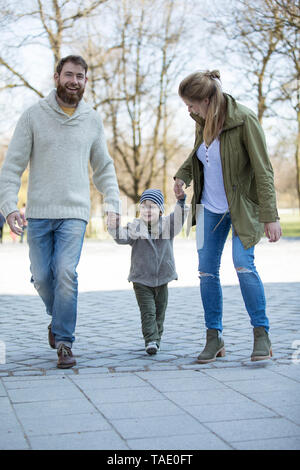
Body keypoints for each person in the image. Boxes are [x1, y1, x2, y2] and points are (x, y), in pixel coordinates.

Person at [0, 55, 121, 369]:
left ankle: (65, 342)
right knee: (42, 277)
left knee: (66, 273)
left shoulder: (92, 120)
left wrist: (112, 205)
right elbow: (12, 167)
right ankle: (58, 321)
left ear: (85, 81)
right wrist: (10, 207)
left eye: (81, 76)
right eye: (69, 75)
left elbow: (104, 167)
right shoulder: (33, 116)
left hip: (74, 213)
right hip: (38, 213)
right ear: (56, 77)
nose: (75, 81)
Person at [173, 70, 281, 364]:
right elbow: (199, 154)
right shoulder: (201, 122)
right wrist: (182, 176)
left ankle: (262, 334)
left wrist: (270, 216)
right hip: (209, 207)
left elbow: (263, 170)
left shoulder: (244, 120)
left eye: (192, 104)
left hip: (242, 207)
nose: (189, 110)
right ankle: (214, 337)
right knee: (206, 271)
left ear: (207, 99)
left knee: (243, 264)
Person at [108, 189, 188, 355]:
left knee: (160, 311)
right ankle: (150, 339)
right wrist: (113, 226)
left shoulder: (167, 225)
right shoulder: (135, 227)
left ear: (160, 210)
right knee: (148, 311)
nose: (147, 210)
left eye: (152, 207)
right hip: (141, 279)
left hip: (163, 278)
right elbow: (121, 237)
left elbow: (179, 219)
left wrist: (181, 201)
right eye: (143, 207)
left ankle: (156, 338)